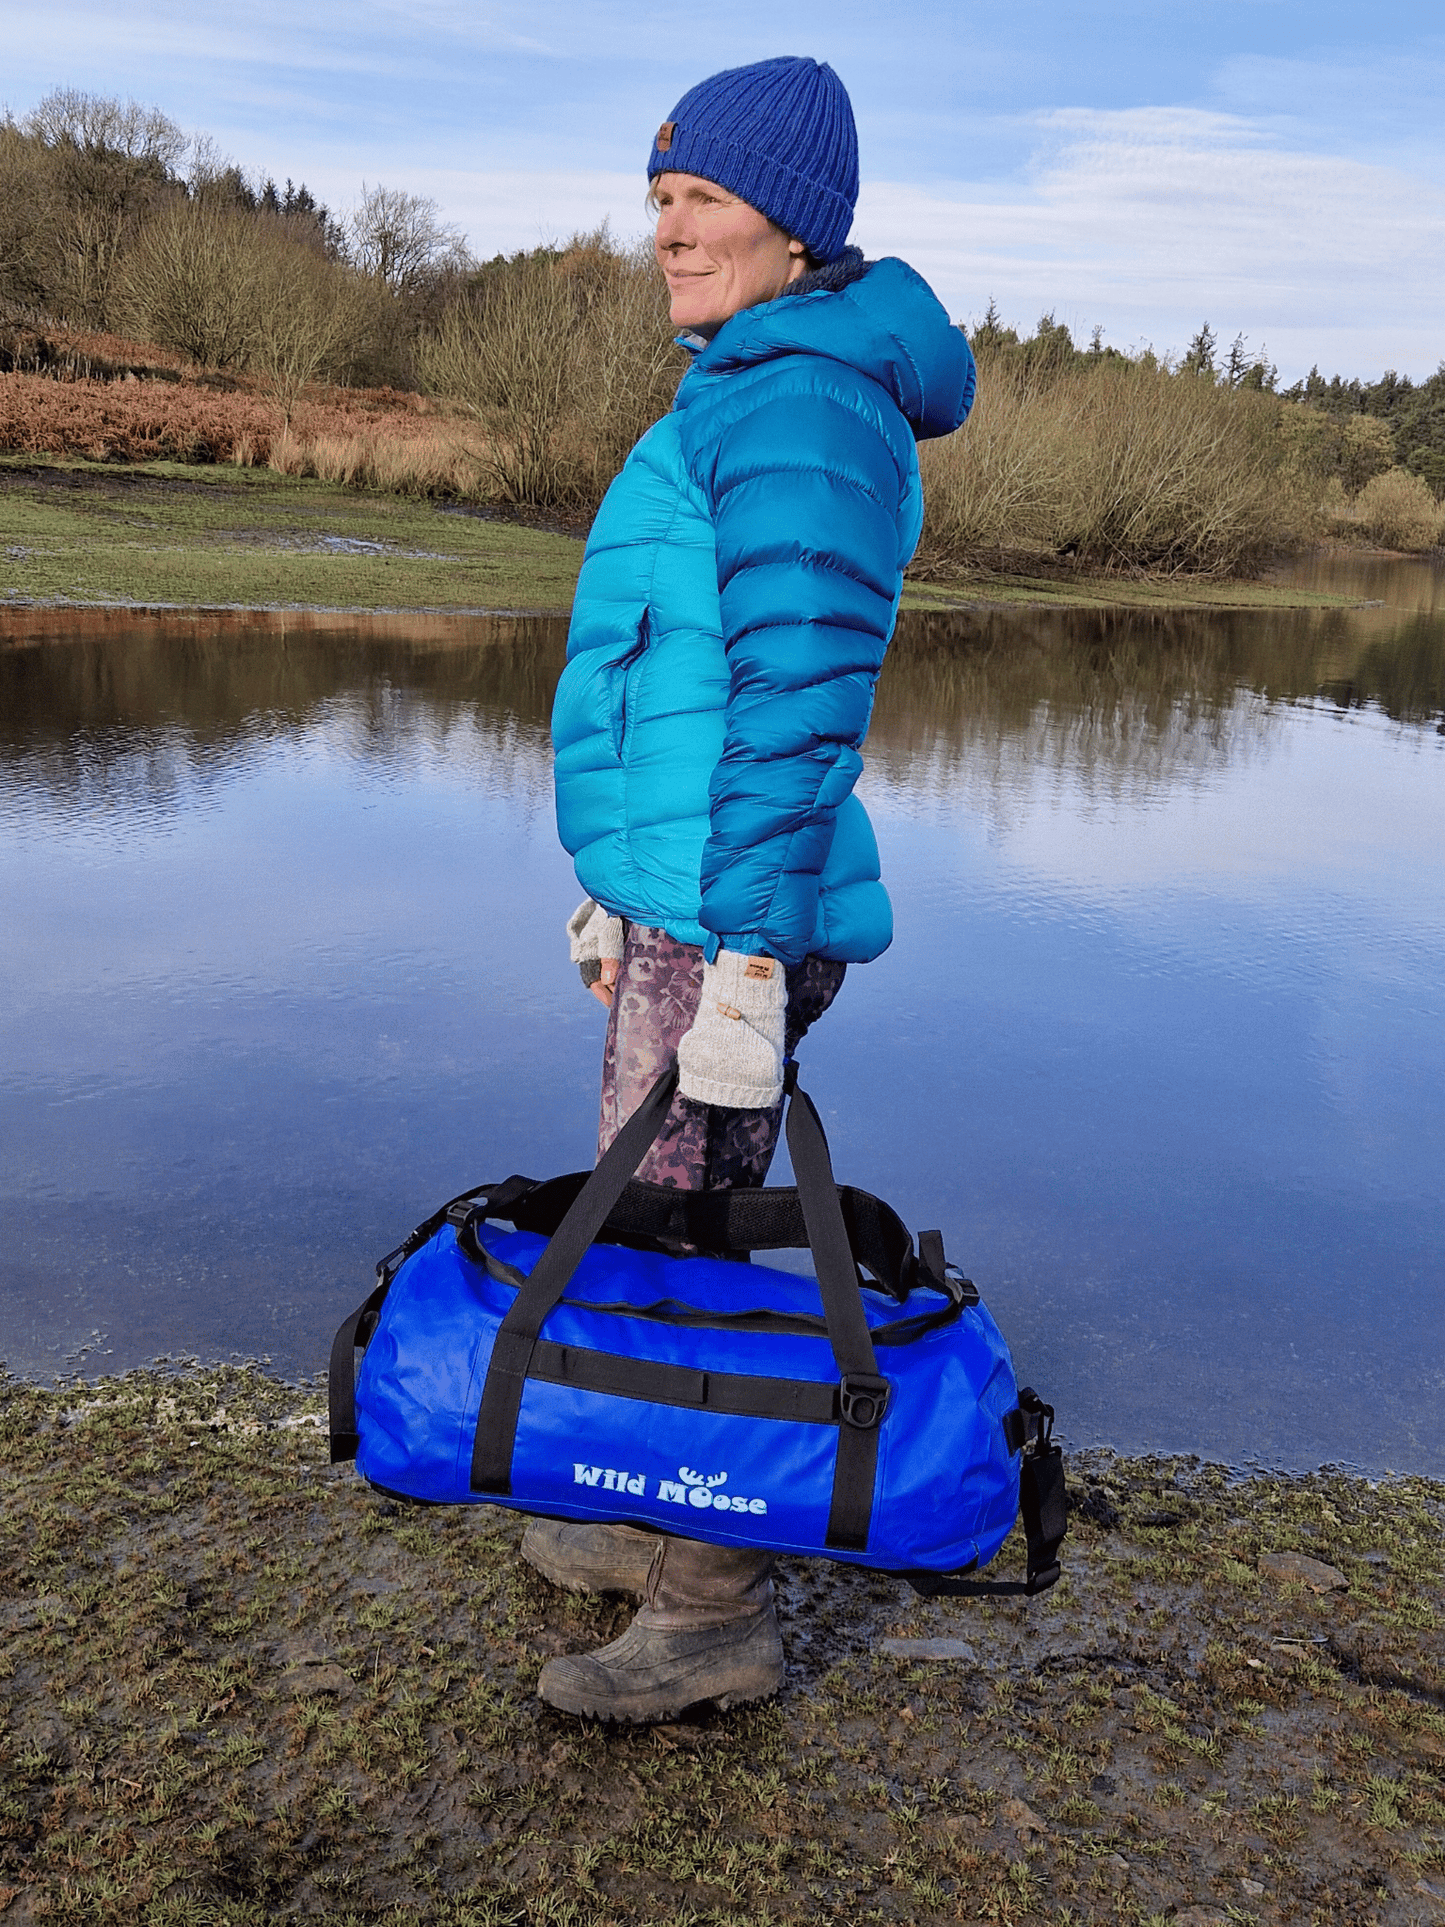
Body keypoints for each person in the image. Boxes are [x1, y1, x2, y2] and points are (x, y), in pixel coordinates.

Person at [526, 54, 976, 1722]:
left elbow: (796, 706)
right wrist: (614, 887)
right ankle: (653, 1503)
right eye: (657, 197)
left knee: (694, 1238)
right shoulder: (742, 383)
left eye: (704, 197)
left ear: (798, 226)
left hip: (739, 924)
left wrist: (741, 963)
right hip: (686, 903)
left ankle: (710, 1608)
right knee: (638, 1217)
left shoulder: (798, 401)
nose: (668, 229)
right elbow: (672, 677)